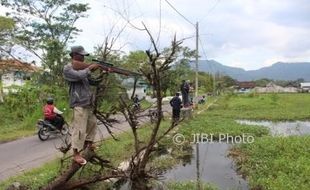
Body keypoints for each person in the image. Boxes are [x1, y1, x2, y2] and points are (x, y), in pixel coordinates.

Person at [63, 45, 102, 165]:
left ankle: (89, 144)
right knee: (79, 129)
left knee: (93, 124)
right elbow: (79, 76)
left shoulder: (83, 69)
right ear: (75, 55)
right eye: (82, 55)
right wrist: (90, 68)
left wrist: (103, 73)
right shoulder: (68, 68)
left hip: (87, 102)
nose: (84, 57)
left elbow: (93, 81)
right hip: (78, 103)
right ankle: (76, 153)